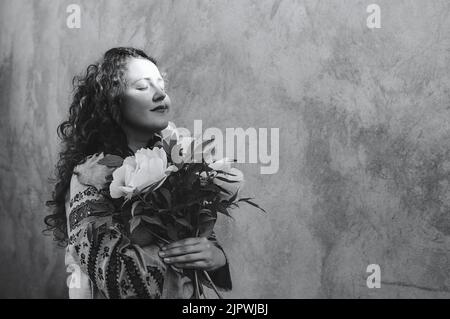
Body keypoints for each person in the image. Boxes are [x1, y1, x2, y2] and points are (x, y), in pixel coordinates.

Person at [45, 47, 232, 298]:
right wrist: (181, 262)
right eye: (142, 87)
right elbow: (114, 273)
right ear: (113, 102)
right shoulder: (91, 173)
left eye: (161, 84)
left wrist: (216, 257)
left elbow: (199, 236)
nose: (159, 94)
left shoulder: (174, 161)